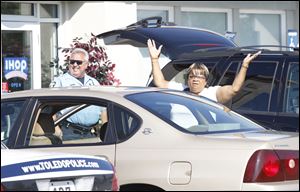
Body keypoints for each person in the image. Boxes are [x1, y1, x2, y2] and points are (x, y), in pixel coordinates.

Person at [147, 39, 261, 104]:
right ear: (188, 80)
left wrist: (244, 66)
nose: (195, 79)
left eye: (200, 76)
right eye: (192, 76)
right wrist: (154, 59)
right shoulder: (180, 89)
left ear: (206, 81)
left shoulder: (212, 93)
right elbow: (160, 82)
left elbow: (234, 89)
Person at [49, 48, 107, 138]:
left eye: (78, 62)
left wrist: (105, 132)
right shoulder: (60, 82)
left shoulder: (94, 83)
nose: (75, 65)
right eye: (72, 62)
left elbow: (103, 110)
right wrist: (56, 129)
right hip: (69, 132)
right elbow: (49, 106)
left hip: (91, 133)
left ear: (86, 64)